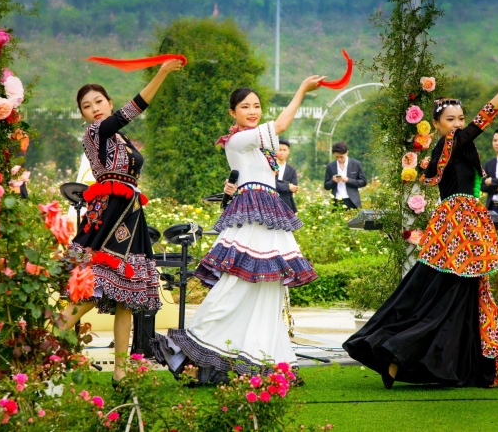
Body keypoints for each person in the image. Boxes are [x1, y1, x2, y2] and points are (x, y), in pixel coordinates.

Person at [343, 74, 498, 389]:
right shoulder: (455, 140)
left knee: (447, 292)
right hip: (464, 225)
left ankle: (408, 354)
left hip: (452, 223)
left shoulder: (441, 148)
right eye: (451, 119)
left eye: (460, 118)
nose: (459, 123)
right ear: (437, 124)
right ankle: (406, 351)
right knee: (457, 293)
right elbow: (484, 117)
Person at [151, 76, 324, 384]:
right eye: (245, 106)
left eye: (257, 106)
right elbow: (280, 126)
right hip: (252, 216)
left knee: (268, 290)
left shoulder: (258, 142)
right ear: (232, 112)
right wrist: (301, 90)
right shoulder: (237, 140)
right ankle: (186, 346)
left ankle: (271, 363)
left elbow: (264, 156)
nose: (253, 111)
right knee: (235, 287)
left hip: (267, 215)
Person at [58, 58, 184, 385]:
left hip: (129, 211)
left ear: (108, 102)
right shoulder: (98, 130)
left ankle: (120, 371)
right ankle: (46, 340)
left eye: (99, 101)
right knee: (91, 289)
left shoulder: (120, 140)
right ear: (83, 114)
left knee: (126, 298)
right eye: (87, 106)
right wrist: (162, 73)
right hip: (110, 212)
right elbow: (135, 108)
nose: (94, 108)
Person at [324, 142, 367, 209]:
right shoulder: (330, 166)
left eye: (341, 157)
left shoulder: (356, 164)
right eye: (336, 157)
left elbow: (363, 182)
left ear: (347, 153)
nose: (339, 159)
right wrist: (333, 181)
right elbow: (326, 186)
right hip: (336, 201)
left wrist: (348, 180)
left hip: (352, 201)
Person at [275, 138, 299, 213]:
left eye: (284, 150)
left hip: (287, 205)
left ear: (288, 151)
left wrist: (278, 184)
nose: (282, 152)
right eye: (279, 149)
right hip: (271, 204)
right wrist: (287, 186)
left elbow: (294, 187)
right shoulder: (270, 167)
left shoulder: (291, 170)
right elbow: (270, 183)